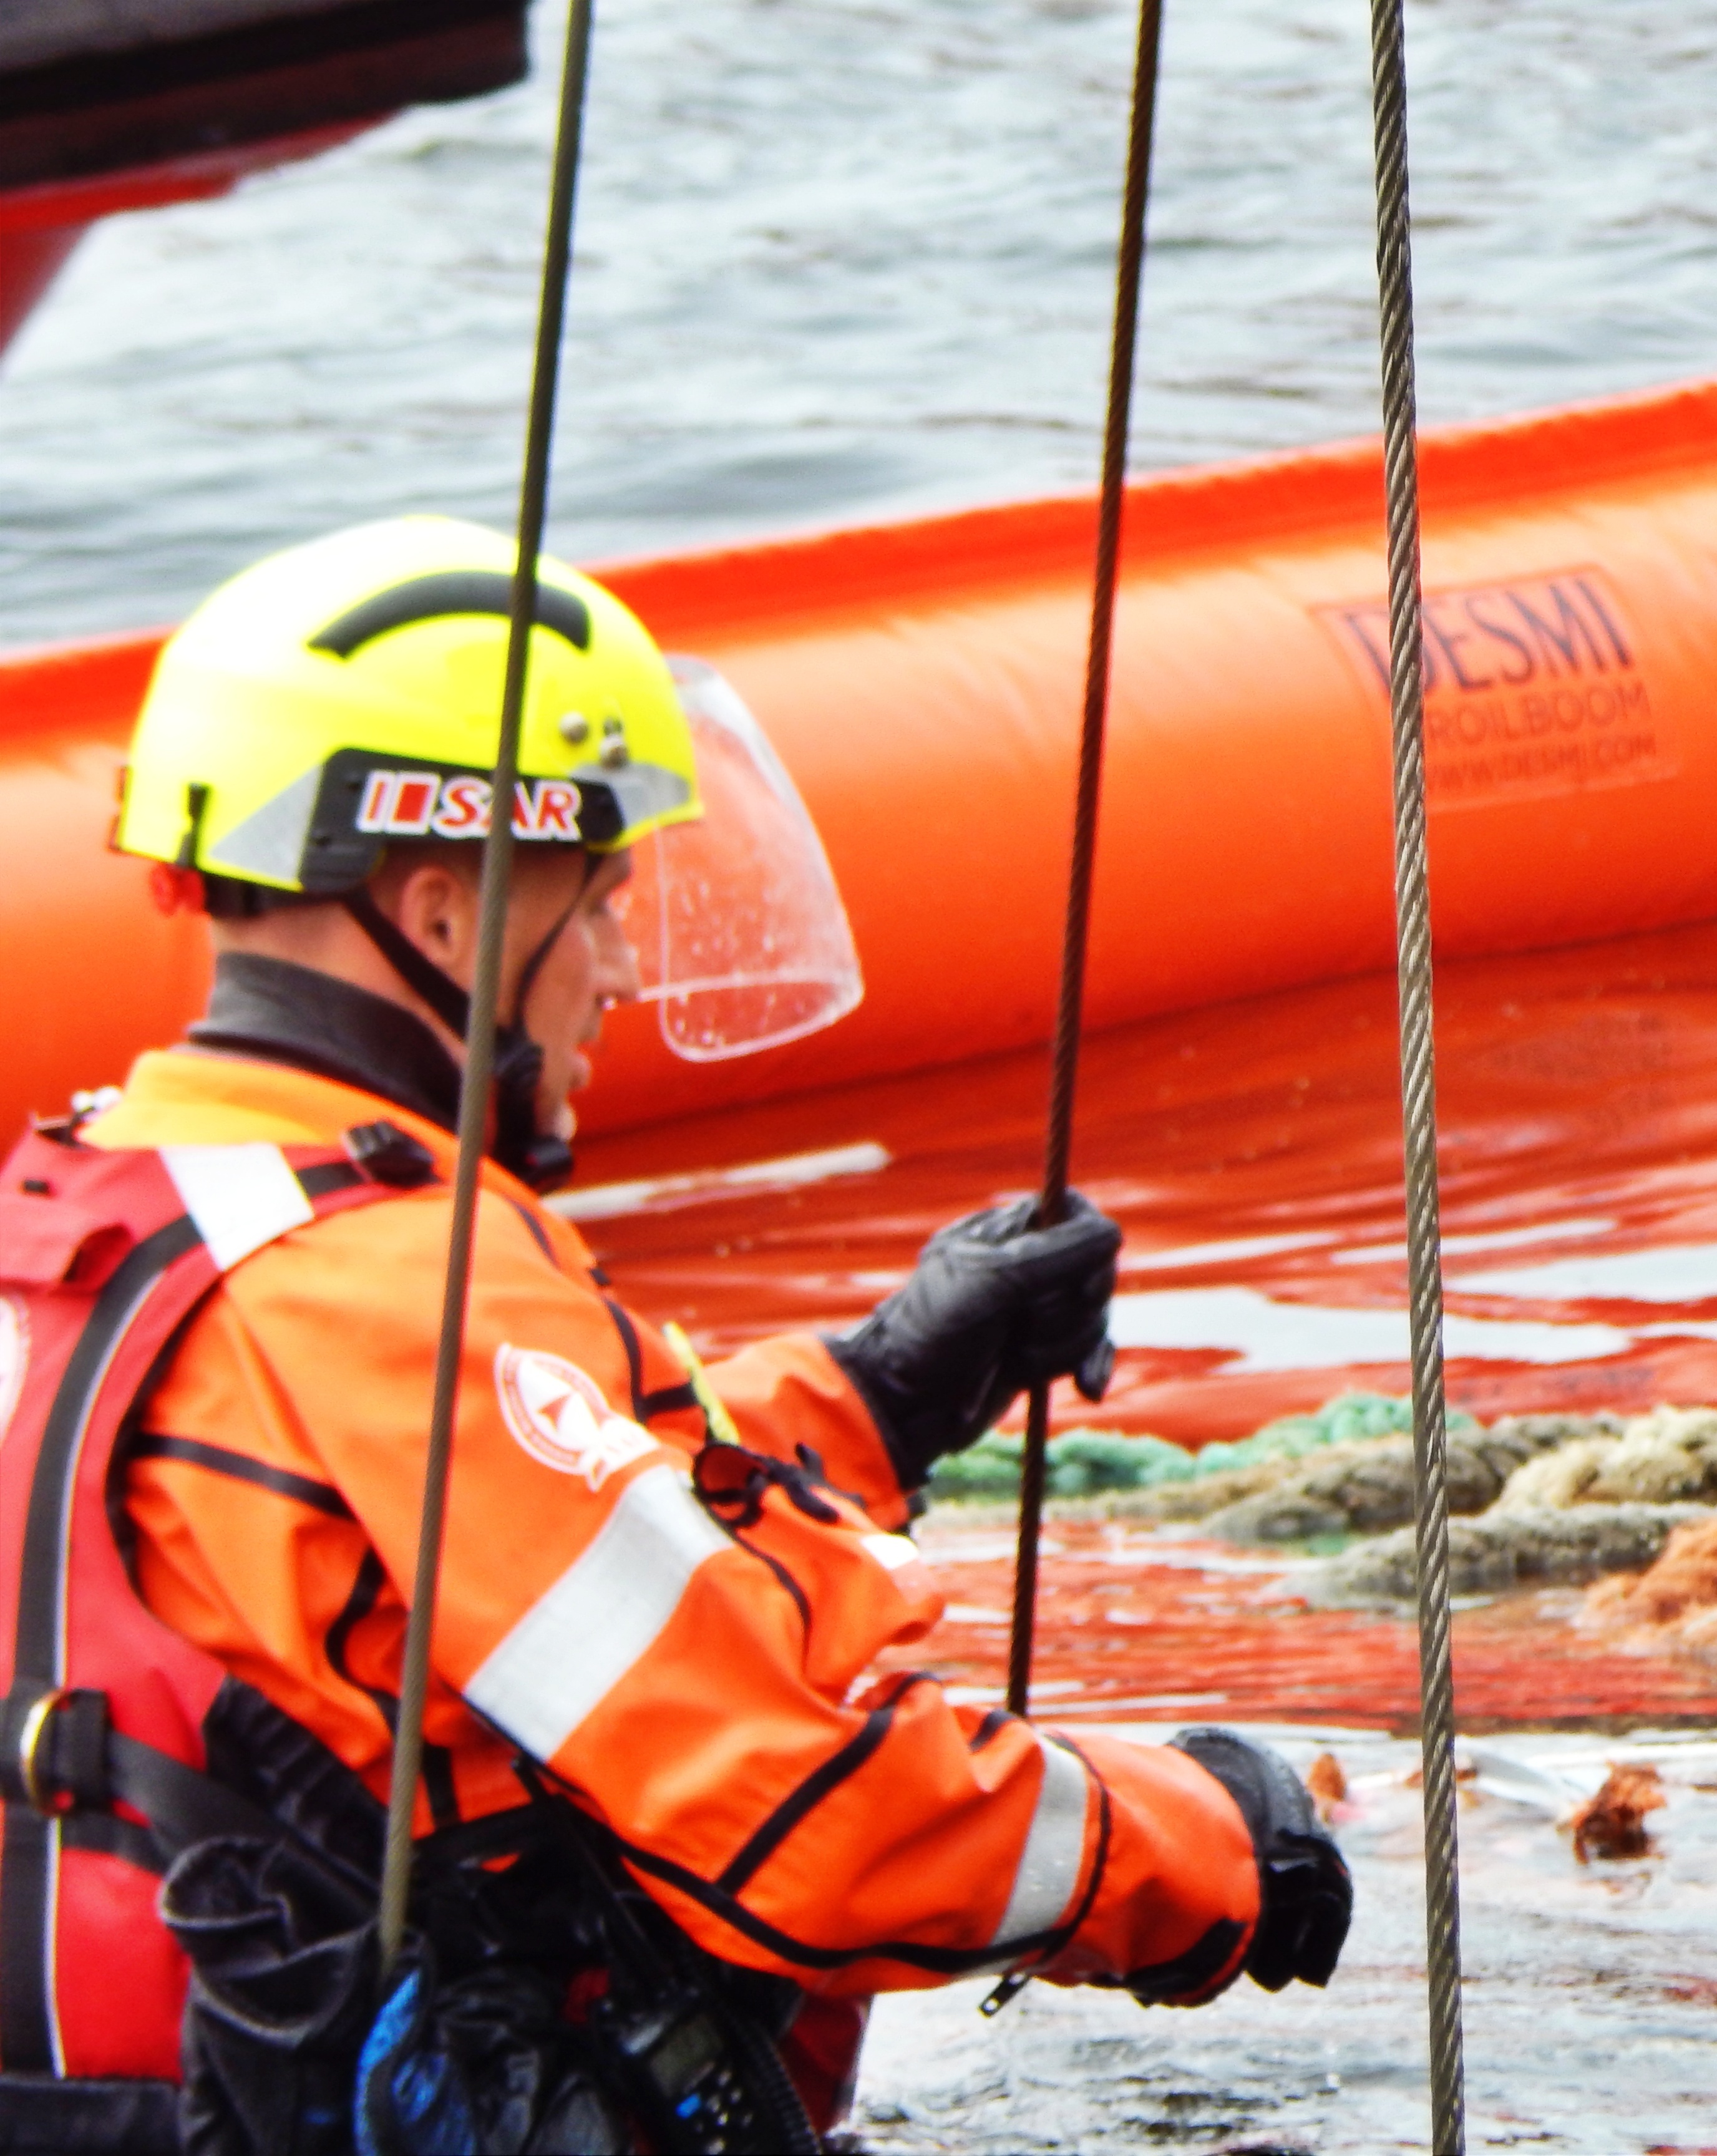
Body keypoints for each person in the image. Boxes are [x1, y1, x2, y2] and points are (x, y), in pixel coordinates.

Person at [0, 517, 1348, 2154]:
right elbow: (806, 1818)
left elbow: (459, 1537)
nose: (624, 972)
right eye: (604, 902)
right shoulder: (397, 1293)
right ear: (446, 915)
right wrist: (1214, 1848)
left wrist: (875, 1394)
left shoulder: (97, 1209)